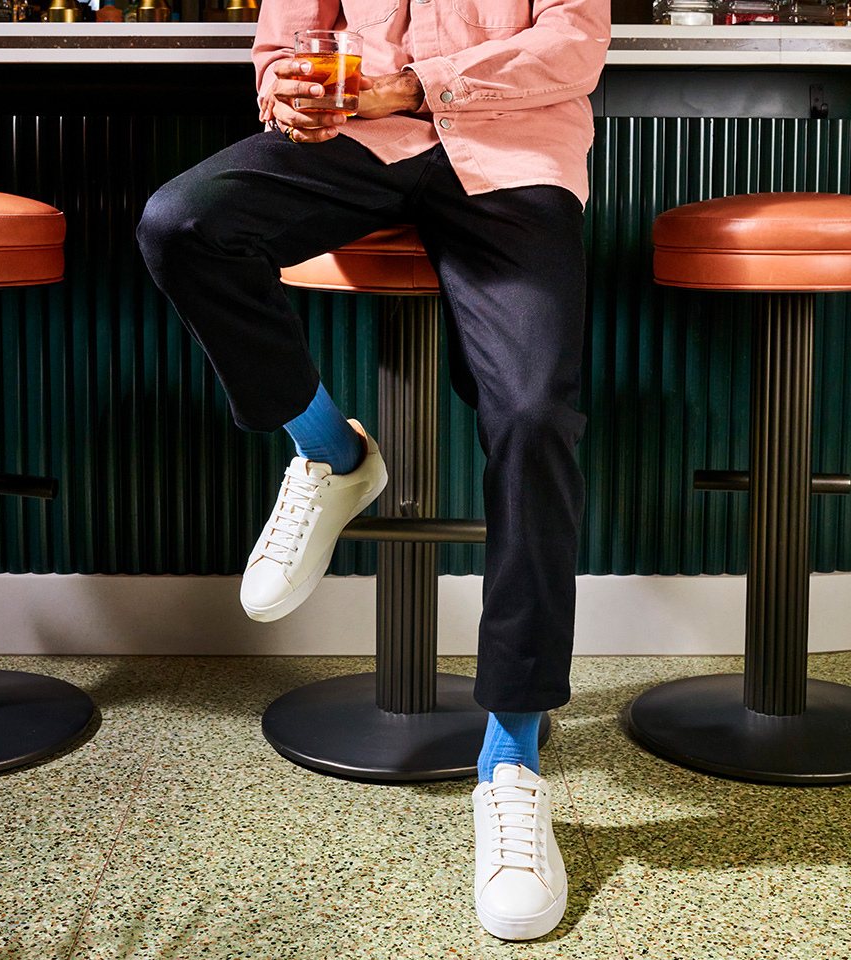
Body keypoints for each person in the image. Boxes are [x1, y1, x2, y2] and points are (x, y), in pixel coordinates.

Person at [137, 0, 609, 941]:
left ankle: (510, 762)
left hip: (510, 154)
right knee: (183, 224)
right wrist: (287, 92)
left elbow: (574, 43)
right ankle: (330, 451)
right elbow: (286, 43)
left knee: (533, 414)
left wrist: (413, 84)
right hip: (360, 143)